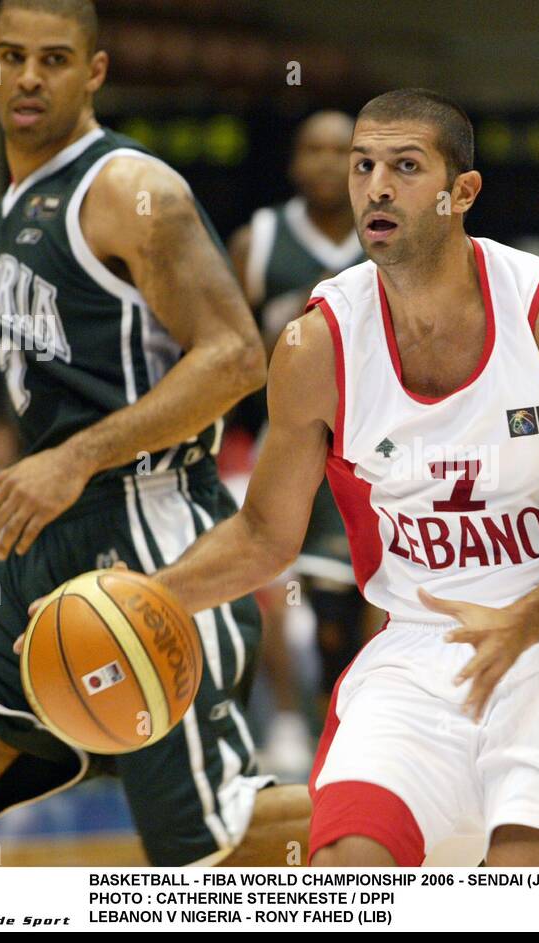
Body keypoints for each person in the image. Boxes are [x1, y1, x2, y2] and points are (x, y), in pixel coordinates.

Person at [142, 88, 539, 866]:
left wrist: (521, 619)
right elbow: (264, 534)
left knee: (521, 880)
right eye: (363, 166)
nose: (376, 187)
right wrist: (146, 597)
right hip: (418, 656)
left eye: (406, 167)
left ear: (463, 192)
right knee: (343, 878)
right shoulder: (316, 345)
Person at [0, 0, 309, 867]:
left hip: (145, 530)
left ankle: (404, 808)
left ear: (95, 71)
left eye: (54, 59)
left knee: (205, 853)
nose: (30, 77)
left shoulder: (127, 187)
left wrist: (73, 458)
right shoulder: (16, 199)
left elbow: (238, 357)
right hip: (45, 541)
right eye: (12, 56)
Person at [225, 111, 368, 776]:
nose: (325, 160)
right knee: (279, 591)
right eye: (312, 148)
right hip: (287, 447)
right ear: (293, 162)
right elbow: (226, 350)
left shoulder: (394, 237)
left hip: (373, 451)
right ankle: (288, 718)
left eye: (341, 150)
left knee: (364, 602)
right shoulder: (259, 241)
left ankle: (361, 729)